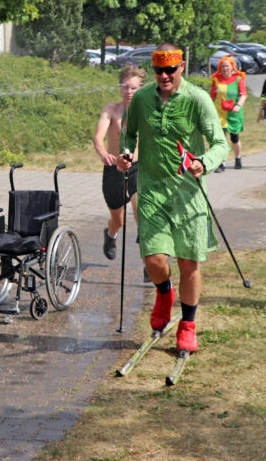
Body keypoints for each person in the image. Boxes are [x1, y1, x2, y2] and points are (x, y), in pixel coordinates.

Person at [118, 44, 228, 352]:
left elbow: (220, 143)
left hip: (188, 194)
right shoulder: (141, 99)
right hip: (152, 190)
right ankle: (164, 293)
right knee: (154, 258)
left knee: (188, 262)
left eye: (170, 70)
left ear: (181, 67)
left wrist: (203, 162)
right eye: (158, 70)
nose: (164, 76)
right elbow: (129, 132)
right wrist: (125, 153)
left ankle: (188, 326)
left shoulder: (197, 98)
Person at [93, 66, 147, 280]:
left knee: (141, 212)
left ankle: (149, 262)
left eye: (133, 87)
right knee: (119, 220)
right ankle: (110, 235)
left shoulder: (146, 110)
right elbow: (98, 137)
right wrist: (104, 154)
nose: (128, 91)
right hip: (113, 168)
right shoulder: (111, 109)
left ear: (141, 88)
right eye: (125, 87)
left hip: (137, 168)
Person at [210, 55, 247, 171]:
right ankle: (221, 163)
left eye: (227, 66)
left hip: (234, 114)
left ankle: (238, 158)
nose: (225, 68)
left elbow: (243, 95)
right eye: (222, 66)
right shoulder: (216, 80)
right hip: (220, 114)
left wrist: (238, 105)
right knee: (221, 139)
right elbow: (212, 96)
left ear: (232, 67)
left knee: (234, 139)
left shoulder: (238, 79)